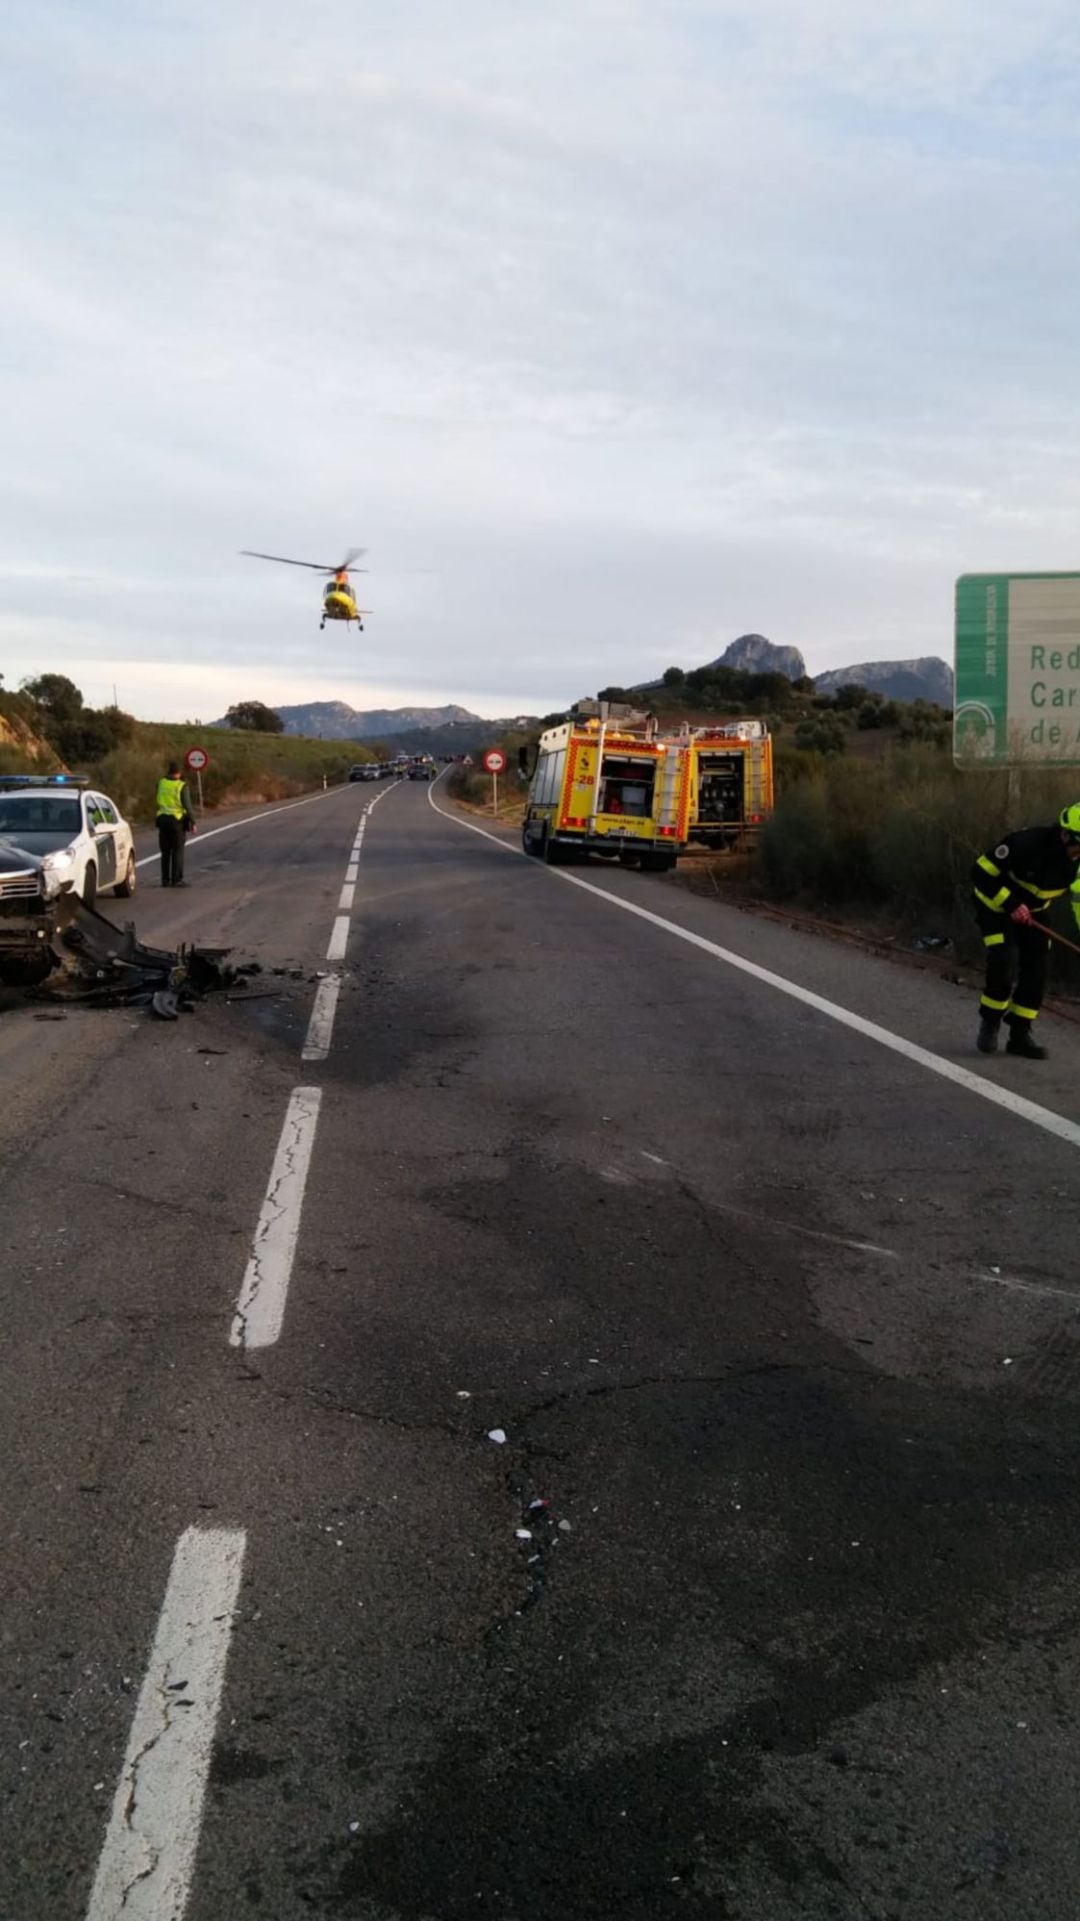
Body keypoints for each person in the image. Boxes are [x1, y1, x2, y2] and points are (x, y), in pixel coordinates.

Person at [972, 803, 1080, 1059]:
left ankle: (1019, 1034)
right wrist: (1010, 904)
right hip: (995, 905)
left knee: (1037, 967)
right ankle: (990, 1022)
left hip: (1035, 910)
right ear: (1066, 836)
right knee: (1004, 958)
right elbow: (980, 873)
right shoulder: (1026, 843)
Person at [155, 760, 195, 888]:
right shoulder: (181, 786)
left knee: (165, 851)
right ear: (179, 772)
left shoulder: (161, 782)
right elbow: (187, 806)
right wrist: (193, 821)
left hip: (162, 820)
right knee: (177, 851)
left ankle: (165, 880)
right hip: (176, 821)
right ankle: (176, 879)